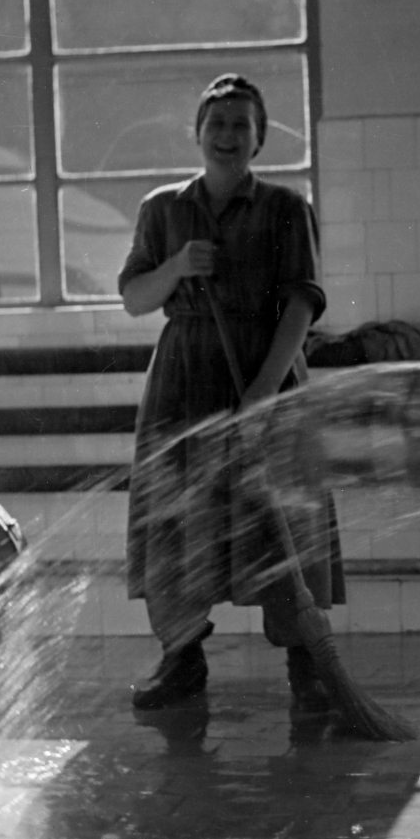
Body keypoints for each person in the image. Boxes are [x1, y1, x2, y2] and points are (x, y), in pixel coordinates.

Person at [119, 73, 342, 711]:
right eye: (217, 125)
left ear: (260, 138)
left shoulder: (284, 209)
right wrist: (177, 266)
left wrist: (266, 392)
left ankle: (307, 660)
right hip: (184, 384)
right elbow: (136, 298)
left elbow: (302, 304)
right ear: (197, 134)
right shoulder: (162, 210)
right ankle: (181, 658)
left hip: (265, 374)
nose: (227, 137)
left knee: (283, 522)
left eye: (241, 126)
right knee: (177, 519)